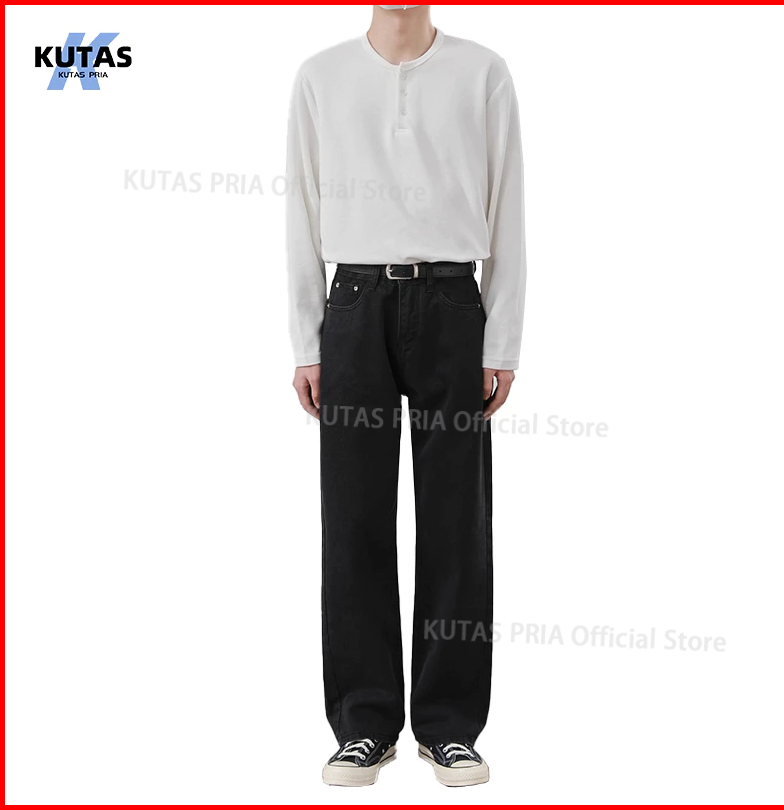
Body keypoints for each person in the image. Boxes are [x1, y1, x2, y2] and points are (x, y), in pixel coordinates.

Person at [286, 4, 526, 787]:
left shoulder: (483, 72)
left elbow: (508, 207)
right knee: (353, 517)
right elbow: (300, 209)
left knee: (458, 520)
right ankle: (364, 723)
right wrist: (306, 340)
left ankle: (449, 726)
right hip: (353, 305)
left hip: (454, 303)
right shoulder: (321, 76)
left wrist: (502, 341)